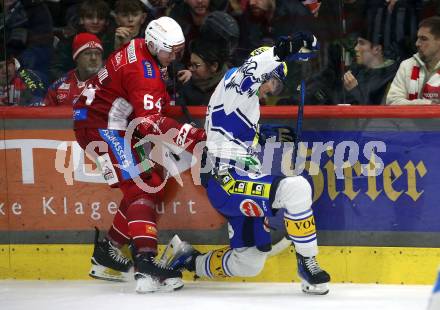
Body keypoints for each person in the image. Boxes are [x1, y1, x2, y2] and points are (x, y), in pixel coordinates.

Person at [168, 33, 331, 295]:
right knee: (297, 188)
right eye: (274, 82)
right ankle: (308, 263)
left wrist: (265, 134)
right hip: (227, 179)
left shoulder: (245, 101)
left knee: (248, 262)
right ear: (267, 72)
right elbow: (250, 72)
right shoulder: (236, 80)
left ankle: (186, 259)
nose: (272, 91)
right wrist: (280, 51)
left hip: (239, 177)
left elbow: (232, 129)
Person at [72, 16, 206, 294]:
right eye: (172, 50)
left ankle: (107, 253)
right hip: (101, 129)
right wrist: (193, 137)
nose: (176, 56)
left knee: (150, 180)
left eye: (179, 50)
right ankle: (145, 262)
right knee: (140, 187)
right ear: (156, 45)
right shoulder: (144, 72)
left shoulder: (141, 47)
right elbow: (149, 123)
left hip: (106, 123)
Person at [387, 16, 440, 105]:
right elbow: (392, 101)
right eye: (417, 38)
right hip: (409, 119)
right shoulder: (407, 65)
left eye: (423, 39)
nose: (417, 43)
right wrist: (427, 104)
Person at [43, 33, 103, 106]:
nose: (93, 58)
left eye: (98, 53)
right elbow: (47, 112)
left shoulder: (109, 83)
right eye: (87, 53)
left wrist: (72, 114)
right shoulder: (60, 84)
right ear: (76, 57)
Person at [341, 31, 399, 105]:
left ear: (376, 49)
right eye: (357, 43)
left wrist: (354, 89)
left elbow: (377, 111)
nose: (356, 48)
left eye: (361, 43)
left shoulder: (392, 76)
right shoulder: (358, 71)